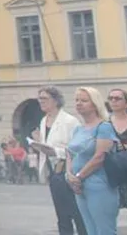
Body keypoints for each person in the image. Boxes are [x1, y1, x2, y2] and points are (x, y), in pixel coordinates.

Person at [66, 86, 120, 235]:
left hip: (99, 184)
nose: (79, 103)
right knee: (90, 230)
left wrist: (79, 177)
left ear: (95, 104)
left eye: (84, 100)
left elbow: (100, 157)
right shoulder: (78, 129)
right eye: (77, 100)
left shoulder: (104, 127)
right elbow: (69, 153)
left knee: (104, 230)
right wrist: (69, 175)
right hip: (79, 186)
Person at [34, 85, 86, 235]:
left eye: (44, 98)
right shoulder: (44, 120)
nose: (41, 101)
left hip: (68, 170)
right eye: (40, 98)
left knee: (76, 213)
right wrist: (38, 143)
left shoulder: (70, 121)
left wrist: (54, 151)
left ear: (56, 100)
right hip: (53, 172)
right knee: (62, 214)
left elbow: (77, 149)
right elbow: (47, 144)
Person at [109, 88, 127, 214]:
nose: (113, 101)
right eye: (111, 98)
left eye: (118, 98)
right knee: (110, 213)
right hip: (112, 173)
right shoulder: (105, 123)